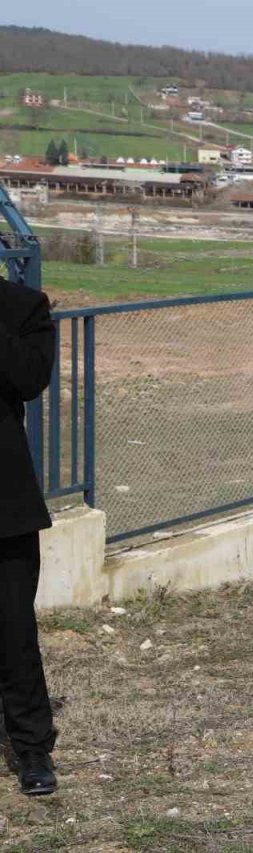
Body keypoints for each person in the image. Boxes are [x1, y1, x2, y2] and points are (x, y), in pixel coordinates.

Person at [0, 274, 58, 796]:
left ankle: (33, 749)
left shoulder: (23, 307)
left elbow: (28, 380)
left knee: (13, 633)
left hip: (5, 504)